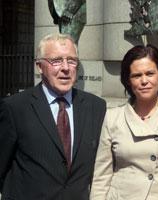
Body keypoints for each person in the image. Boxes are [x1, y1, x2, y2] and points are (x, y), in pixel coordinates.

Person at [0, 33, 106, 200]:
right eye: (56, 61)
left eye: (71, 60)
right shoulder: (15, 108)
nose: (65, 68)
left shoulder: (96, 107)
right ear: (40, 67)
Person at [90, 44, 158, 199]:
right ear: (128, 80)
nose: (144, 81)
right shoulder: (113, 118)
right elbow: (101, 176)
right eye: (137, 75)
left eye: (150, 73)